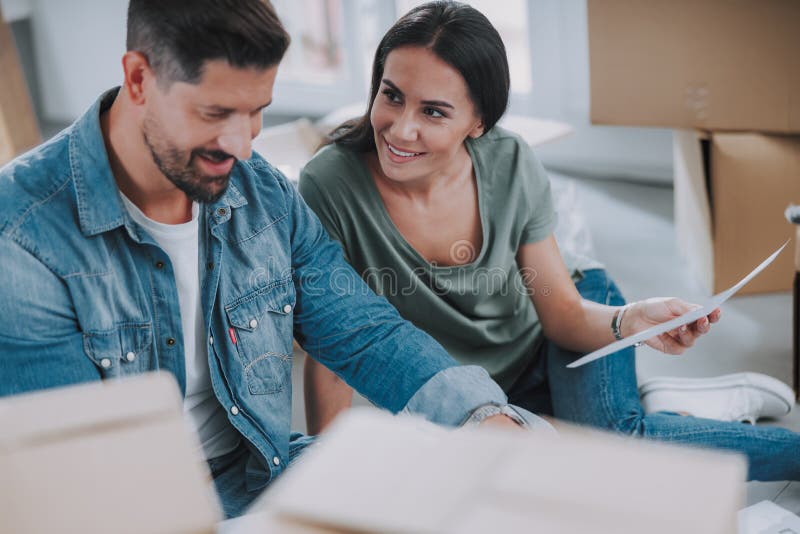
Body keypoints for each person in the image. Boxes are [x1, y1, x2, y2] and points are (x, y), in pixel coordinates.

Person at [0, 0, 548, 519]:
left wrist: (482, 418)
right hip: (134, 507)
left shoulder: (261, 192)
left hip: (262, 472)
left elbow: (361, 330)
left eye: (256, 112)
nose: (241, 146)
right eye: (216, 113)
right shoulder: (23, 236)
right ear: (140, 78)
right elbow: (73, 477)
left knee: (494, 480)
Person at [299, 0, 800, 481]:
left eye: (433, 112)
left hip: (567, 322)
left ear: (478, 123)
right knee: (543, 468)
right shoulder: (331, 184)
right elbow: (334, 344)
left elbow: (564, 317)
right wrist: (327, 475)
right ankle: (665, 404)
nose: (400, 129)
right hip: (484, 389)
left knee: (609, 447)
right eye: (391, 95)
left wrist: (632, 322)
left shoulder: (510, 162)